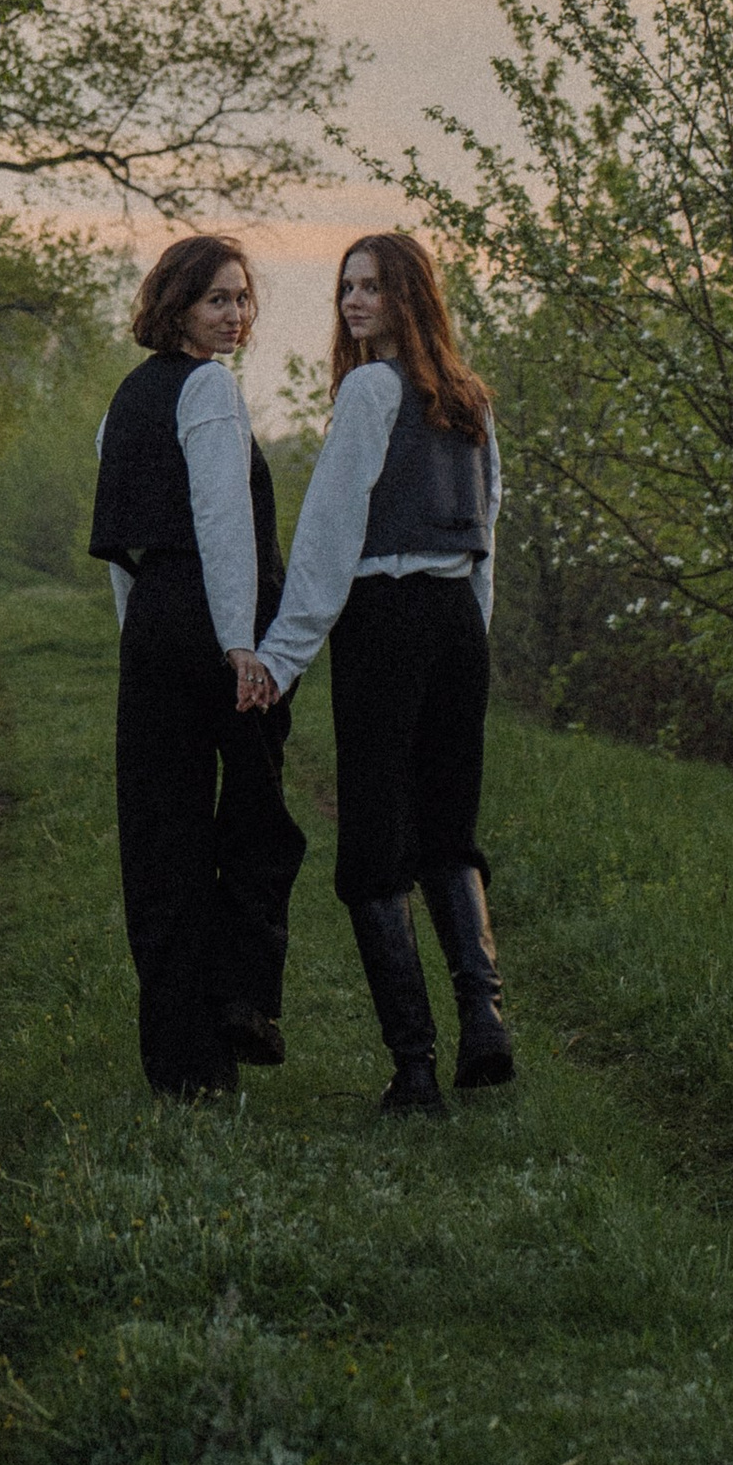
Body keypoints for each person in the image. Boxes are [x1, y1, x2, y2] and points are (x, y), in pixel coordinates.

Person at [240, 230, 512, 1112]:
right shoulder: (470, 399)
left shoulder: (369, 390)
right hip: (457, 626)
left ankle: (417, 1067)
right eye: (346, 287)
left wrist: (282, 658)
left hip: (388, 624)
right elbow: (485, 534)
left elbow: (328, 536)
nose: (354, 302)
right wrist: (471, 637)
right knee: (448, 828)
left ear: (409, 297)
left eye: (372, 287)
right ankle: (485, 1024)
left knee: (373, 846)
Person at [89, 234, 307, 1099]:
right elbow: (223, 522)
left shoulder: (125, 400)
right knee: (259, 822)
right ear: (176, 305)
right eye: (218, 298)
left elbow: (122, 547)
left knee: (161, 839)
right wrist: (238, 643)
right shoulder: (209, 389)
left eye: (243, 299)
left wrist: (137, 633)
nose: (236, 315)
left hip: (153, 622)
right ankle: (239, 1002)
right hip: (219, 622)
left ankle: (182, 1068)